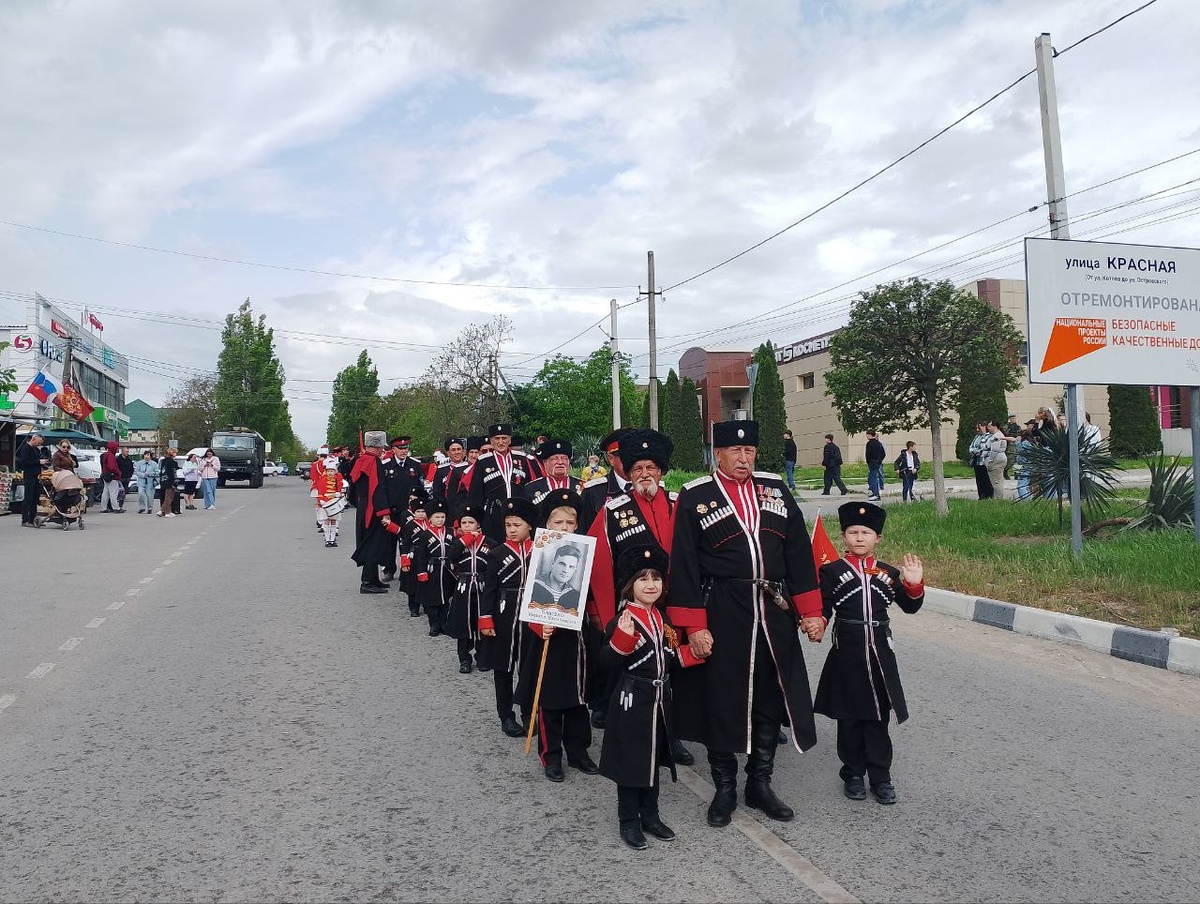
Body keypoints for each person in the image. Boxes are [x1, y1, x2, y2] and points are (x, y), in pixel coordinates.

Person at [668, 419, 825, 828]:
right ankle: (724, 787)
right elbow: (682, 564)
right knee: (723, 696)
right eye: (735, 452)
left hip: (773, 608)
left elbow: (799, 555)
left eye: (750, 452)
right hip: (723, 605)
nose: (743, 458)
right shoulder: (695, 496)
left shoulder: (774, 489)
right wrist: (693, 626)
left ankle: (760, 783)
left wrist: (810, 611)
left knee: (771, 695)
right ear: (717, 454)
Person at [585, 427, 693, 766]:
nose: (645, 475)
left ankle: (672, 736)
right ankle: (630, 736)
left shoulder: (681, 504)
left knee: (674, 671)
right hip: (633, 609)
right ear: (628, 474)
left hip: (675, 602)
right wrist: (598, 609)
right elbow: (598, 563)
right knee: (636, 673)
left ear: (661, 472)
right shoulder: (612, 511)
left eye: (651, 468)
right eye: (637, 470)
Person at [813, 502, 924, 805]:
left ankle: (880, 777)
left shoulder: (888, 573)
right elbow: (822, 608)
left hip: (879, 655)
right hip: (846, 653)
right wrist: (817, 623)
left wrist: (914, 585)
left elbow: (911, 606)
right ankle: (852, 773)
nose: (859, 537)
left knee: (878, 717)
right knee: (849, 717)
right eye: (853, 532)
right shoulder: (831, 572)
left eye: (866, 532)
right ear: (844, 537)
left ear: (878, 538)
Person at [601, 544, 704, 850]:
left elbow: (670, 657)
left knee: (653, 760)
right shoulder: (622, 620)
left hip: (660, 701)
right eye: (642, 578)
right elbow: (606, 662)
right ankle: (628, 821)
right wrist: (621, 640)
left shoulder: (661, 618)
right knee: (632, 763)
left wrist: (699, 651)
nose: (650, 584)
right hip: (633, 699)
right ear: (629, 585)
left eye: (656, 578)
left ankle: (651, 815)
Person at [516, 490, 598, 783]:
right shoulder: (535, 555)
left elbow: (591, 596)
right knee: (549, 698)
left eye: (570, 523)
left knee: (577, 697)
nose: (564, 528)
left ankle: (578, 751)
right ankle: (551, 756)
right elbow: (525, 603)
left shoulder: (587, 553)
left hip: (577, 638)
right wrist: (540, 626)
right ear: (547, 523)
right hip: (545, 636)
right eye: (558, 521)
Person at [478, 496, 537, 738]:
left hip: (531, 613)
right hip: (504, 614)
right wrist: (485, 618)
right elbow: (489, 588)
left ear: (530, 526)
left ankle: (528, 711)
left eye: (517, 525)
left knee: (528, 666)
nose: (512, 530)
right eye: (508, 525)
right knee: (503, 668)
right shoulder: (497, 553)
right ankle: (506, 715)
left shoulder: (542, 550)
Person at [466, 424, 537, 542]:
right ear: (491, 441)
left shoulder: (522, 458)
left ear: (509, 439)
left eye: (504, 438)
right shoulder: (483, 461)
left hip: (519, 513)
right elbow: (475, 493)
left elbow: (530, 486)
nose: (500, 442)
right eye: (497, 438)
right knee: (495, 548)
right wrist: (476, 520)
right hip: (493, 514)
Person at [350, 431, 399, 594]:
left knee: (371, 542)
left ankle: (373, 579)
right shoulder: (373, 462)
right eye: (381, 447)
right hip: (372, 506)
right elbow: (377, 488)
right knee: (372, 543)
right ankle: (367, 581)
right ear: (377, 447)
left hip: (364, 505)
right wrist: (384, 511)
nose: (382, 450)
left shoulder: (361, 459)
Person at [445, 505, 491, 673]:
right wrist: (465, 540)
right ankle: (464, 658)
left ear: (478, 525)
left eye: (471, 522)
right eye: (463, 522)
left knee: (481, 622)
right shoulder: (458, 543)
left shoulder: (489, 543)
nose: (466, 525)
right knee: (463, 625)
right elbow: (451, 556)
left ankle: (482, 656)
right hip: (463, 588)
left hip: (482, 587)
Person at [413, 500, 455, 637]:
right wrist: (421, 571)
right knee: (432, 599)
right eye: (437, 517)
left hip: (446, 569)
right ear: (430, 518)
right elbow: (421, 556)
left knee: (445, 598)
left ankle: (444, 623)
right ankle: (434, 624)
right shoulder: (425, 535)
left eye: (442, 517)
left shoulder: (450, 532)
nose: (440, 520)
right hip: (432, 569)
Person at [522, 439, 583, 506]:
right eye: (554, 459)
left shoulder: (583, 487)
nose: (560, 462)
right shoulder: (531, 488)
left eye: (564, 458)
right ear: (545, 463)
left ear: (569, 462)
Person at [313, 448, 346, 547]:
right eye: (328, 471)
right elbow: (320, 492)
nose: (330, 472)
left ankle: (333, 539)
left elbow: (340, 489)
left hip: (334, 502)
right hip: (325, 503)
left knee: (334, 521)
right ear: (326, 471)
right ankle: (327, 540)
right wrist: (321, 500)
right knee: (327, 521)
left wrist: (338, 494)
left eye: (332, 471)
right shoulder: (322, 480)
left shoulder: (337, 479)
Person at [17, 433, 44, 527]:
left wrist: (42, 463)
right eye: (38, 442)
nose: (39, 444)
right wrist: (38, 462)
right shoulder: (26, 448)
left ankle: (33, 518)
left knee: (35, 497)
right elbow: (24, 462)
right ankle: (25, 519)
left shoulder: (36, 449)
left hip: (36, 475)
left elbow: (37, 460)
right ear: (33, 439)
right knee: (28, 497)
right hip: (29, 475)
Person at [984, 421, 1010, 500]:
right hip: (1001, 458)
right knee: (999, 480)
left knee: (996, 482)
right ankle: (999, 497)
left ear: (995, 426)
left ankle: (998, 499)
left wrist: (990, 461)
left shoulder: (997, 436)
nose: (988, 428)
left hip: (996, 459)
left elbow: (994, 450)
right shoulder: (999, 434)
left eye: (989, 426)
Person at [967, 423, 993, 500]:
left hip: (985, 461)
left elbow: (987, 448)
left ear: (984, 427)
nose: (977, 430)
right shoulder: (977, 436)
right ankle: (981, 496)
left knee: (986, 479)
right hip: (977, 461)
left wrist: (979, 451)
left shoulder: (990, 436)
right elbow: (971, 447)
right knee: (979, 480)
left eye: (979, 428)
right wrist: (974, 451)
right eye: (977, 428)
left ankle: (989, 495)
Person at [98, 440, 124, 512]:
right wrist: (118, 472)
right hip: (113, 477)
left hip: (105, 475)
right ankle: (116, 508)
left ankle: (103, 508)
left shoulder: (105, 455)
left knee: (105, 492)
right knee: (113, 493)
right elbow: (112, 467)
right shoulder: (111, 456)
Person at [157, 448, 179, 518]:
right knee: (169, 497)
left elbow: (162, 471)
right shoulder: (172, 462)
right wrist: (173, 482)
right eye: (175, 452)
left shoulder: (163, 461)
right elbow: (172, 472)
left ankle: (162, 511)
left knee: (166, 497)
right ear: (172, 453)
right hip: (169, 481)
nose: (176, 454)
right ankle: (167, 512)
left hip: (163, 480)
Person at [864, 430, 885, 502]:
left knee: (873, 478)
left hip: (872, 462)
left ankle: (876, 494)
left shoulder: (869, 443)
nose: (866, 436)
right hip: (878, 462)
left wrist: (869, 461)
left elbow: (868, 454)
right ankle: (874, 493)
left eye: (867, 435)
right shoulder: (879, 443)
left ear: (870, 435)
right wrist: (879, 461)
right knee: (874, 477)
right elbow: (883, 453)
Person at [117, 447, 134, 511]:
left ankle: (120, 506)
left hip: (127, 478)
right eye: (126, 451)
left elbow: (131, 468)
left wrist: (130, 475)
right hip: (120, 478)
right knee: (119, 493)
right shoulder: (118, 459)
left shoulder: (129, 460)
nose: (127, 453)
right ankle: (116, 506)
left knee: (124, 493)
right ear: (122, 452)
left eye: (128, 451)